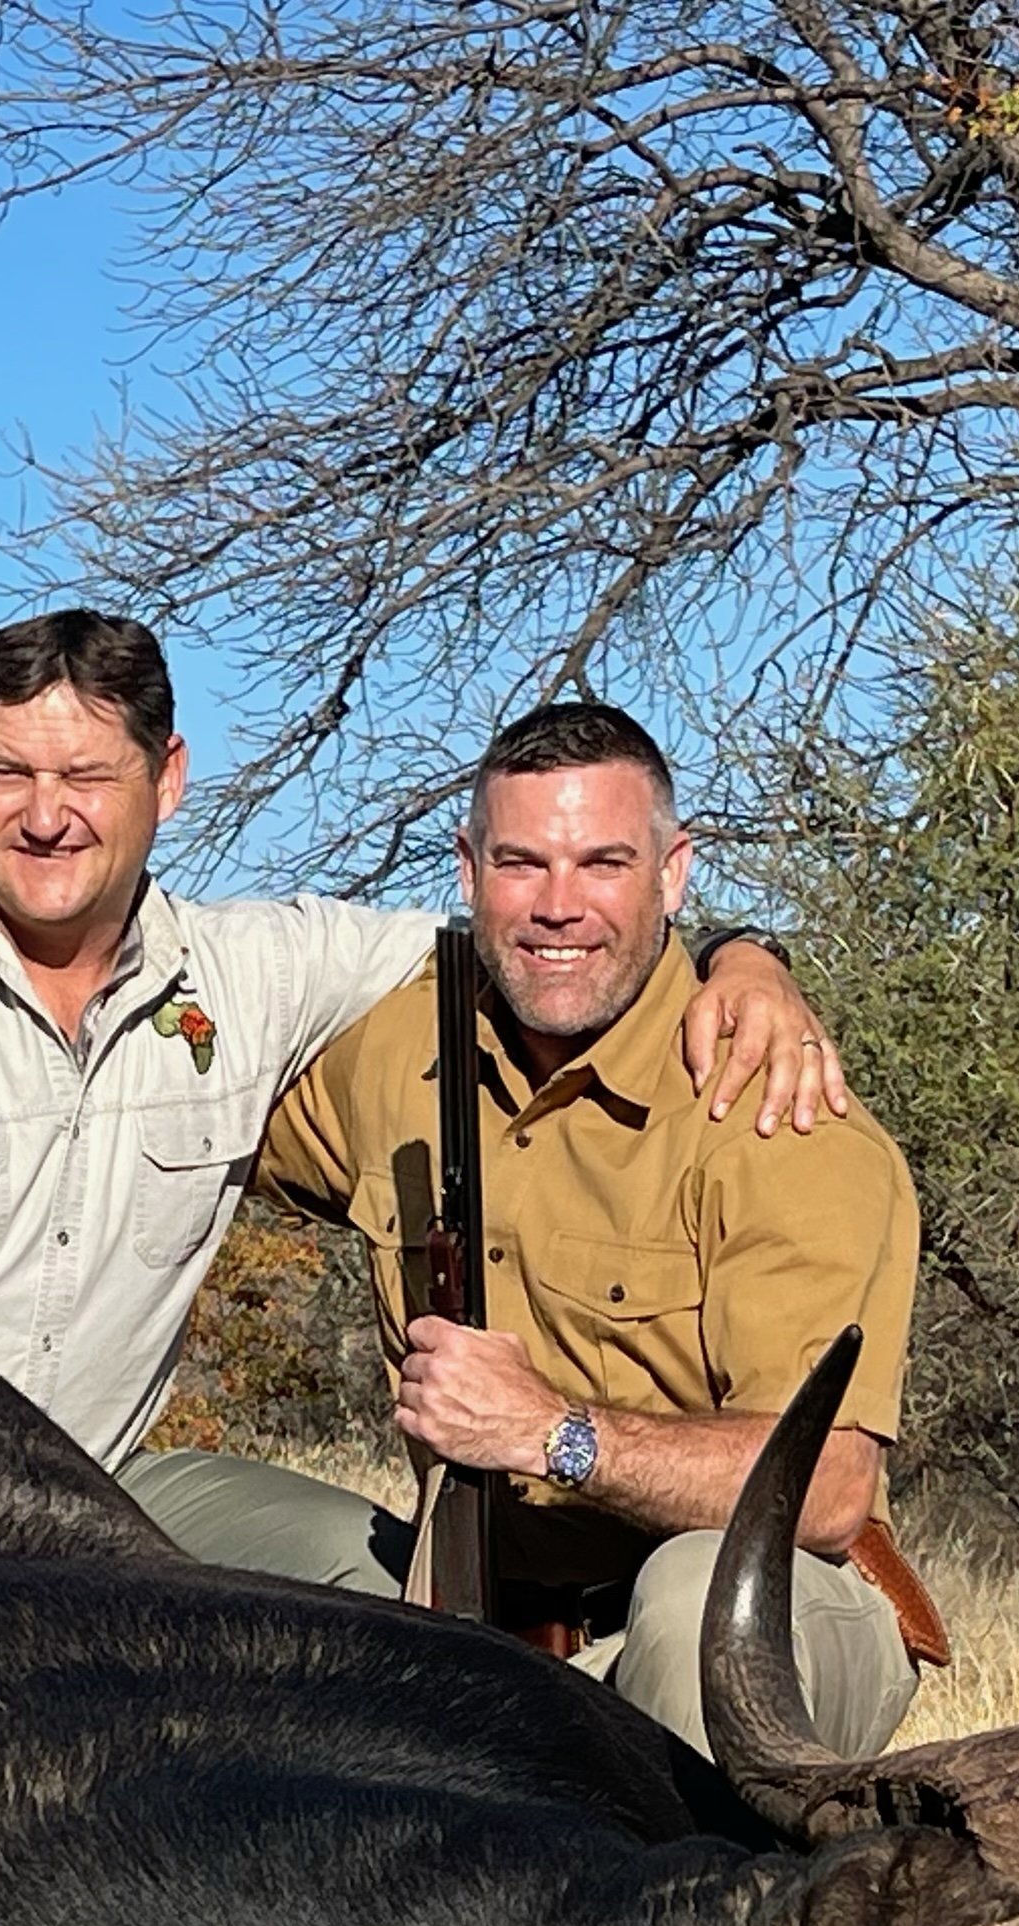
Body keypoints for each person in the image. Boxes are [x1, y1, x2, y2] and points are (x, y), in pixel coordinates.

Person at [0, 610, 844, 1469]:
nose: (45, 817)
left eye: (87, 778)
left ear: (166, 780)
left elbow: (536, 938)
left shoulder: (258, 971)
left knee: (375, 1621)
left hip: (82, 1523)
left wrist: (741, 955)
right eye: (8, 775)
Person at [128, 700, 921, 1760]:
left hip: (762, 1594)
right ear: (466, 869)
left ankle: (671, 1903)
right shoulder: (400, 1042)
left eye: (603, 864)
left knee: (695, 1601)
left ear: (674, 875)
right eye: (520, 864)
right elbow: (168, 1064)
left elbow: (825, 1490)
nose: (558, 907)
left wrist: (553, 1434)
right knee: (107, 1506)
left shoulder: (775, 1103)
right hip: (482, 1604)